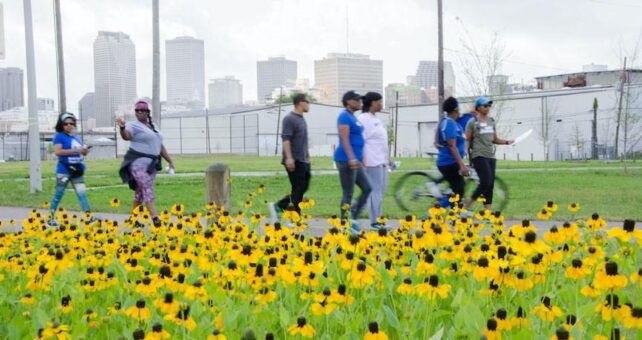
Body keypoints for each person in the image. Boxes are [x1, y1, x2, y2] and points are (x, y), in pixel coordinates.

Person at [116, 101, 174, 226]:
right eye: (137, 110)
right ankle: (155, 219)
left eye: (142, 110)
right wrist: (122, 128)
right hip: (137, 164)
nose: (140, 112)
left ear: (148, 112)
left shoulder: (154, 127)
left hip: (152, 165)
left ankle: (133, 220)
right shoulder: (133, 125)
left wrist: (170, 161)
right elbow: (126, 136)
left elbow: (160, 146)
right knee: (147, 188)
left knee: (140, 192)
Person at [464, 96, 513, 211]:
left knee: (490, 184)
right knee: (485, 182)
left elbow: (495, 139)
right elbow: (467, 140)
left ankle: (488, 213)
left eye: (489, 106)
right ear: (478, 107)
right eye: (485, 105)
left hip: (490, 156)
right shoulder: (472, 122)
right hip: (478, 155)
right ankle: (468, 204)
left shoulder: (491, 121)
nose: (488, 108)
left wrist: (507, 142)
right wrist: (465, 154)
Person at [268, 93, 311, 223]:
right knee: (298, 188)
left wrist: (308, 157)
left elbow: (302, 141)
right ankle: (292, 216)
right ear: (300, 102)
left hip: (303, 159)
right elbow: (286, 139)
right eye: (307, 101)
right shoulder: (289, 119)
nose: (309, 104)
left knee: (302, 187)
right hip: (294, 160)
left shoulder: (301, 118)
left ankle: (281, 207)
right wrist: (289, 158)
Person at [334, 90, 372, 232]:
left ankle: (353, 216)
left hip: (355, 160)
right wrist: (351, 158)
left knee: (367, 188)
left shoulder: (353, 117)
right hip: (346, 160)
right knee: (348, 193)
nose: (360, 102)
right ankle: (345, 224)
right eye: (357, 100)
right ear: (348, 101)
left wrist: (359, 159)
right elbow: (344, 139)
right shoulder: (344, 116)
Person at [49, 112, 92, 226]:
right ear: (61, 124)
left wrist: (84, 151)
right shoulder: (59, 136)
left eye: (72, 123)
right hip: (64, 171)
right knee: (58, 194)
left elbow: (81, 152)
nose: (69, 125)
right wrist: (76, 150)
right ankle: (51, 219)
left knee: (82, 194)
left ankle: (88, 217)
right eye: (66, 123)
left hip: (77, 170)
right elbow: (58, 152)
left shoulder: (76, 137)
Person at [357, 92, 388, 230]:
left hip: (381, 160)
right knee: (374, 191)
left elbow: (381, 140)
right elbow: (361, 140)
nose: (381, 104)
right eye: (379, 101)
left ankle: (378, 219)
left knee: (380, 190)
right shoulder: (363, 118)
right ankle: (375, 222)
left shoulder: (375, 118)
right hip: (371, 160)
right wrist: (363, 160)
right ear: (372, 103)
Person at [436, 97, 468, 208]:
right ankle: (435, 211)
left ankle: (454, 218)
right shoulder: (449, 123)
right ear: (455, 109)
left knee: (458, 190)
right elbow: (452, 146)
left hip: (451, 162)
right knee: (458, 191)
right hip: (449, 163)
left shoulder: (454, 123)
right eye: (459, 107)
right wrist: (462, 165)